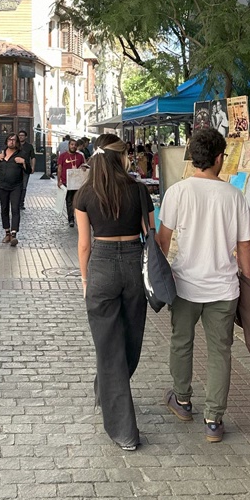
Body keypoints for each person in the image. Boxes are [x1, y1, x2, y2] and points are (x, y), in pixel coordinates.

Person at [157, 127, 250, 442]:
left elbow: (163, 241)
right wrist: (248, 281)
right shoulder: (234, 196)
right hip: (224, 288)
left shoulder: (177, 192)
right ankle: (213, 419)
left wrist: (159, 277)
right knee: (220, 352)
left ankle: (182, 400)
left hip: (184, 285)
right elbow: (244, 246)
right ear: (219, 158)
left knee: (181, 343)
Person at [74, 134, 154, 452]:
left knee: (108, 347)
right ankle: (121, 420)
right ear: (121, 157)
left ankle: (121, 425)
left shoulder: (85, 193)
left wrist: (84, 281)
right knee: (131, 340)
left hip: (102, 266)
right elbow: (151, 234)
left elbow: (84, 245)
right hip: (134, 264)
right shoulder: (139, 189)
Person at [0, 134, 27, 245]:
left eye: (14, 140)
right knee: (4, 208)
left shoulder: (21, 154)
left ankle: (13, 234)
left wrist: (23, 162)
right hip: (2, 185)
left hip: (16, 186)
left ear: (17, 142)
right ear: (6, 141)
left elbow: (28, 170)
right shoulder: (1, 154)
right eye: (9, 139)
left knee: (15, 208)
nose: (11, 142)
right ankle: (7, 232)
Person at [57, 137, 86, 227]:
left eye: (75, 145)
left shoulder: (80, 156)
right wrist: (59, 180)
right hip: (66, 181)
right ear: (69, 145)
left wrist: (84, 167)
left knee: (78, 201)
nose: (73, 146)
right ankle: (71, 219)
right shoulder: (63, 156)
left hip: (77, 182)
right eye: (72, 144)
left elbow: (84, 165)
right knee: (69, 201)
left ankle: (79, 218)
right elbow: (59, 168)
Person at [17, 129, 36, 209]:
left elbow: (33, 157)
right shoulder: (16, 145)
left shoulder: (29, 146)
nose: (20, 137)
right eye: (19, 135)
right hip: (16, 168)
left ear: (26, 137)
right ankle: (16, 202)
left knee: (24, 186)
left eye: (22, 135)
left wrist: (33, 167)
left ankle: (21, 203)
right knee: (16, 186)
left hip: (25, 168)